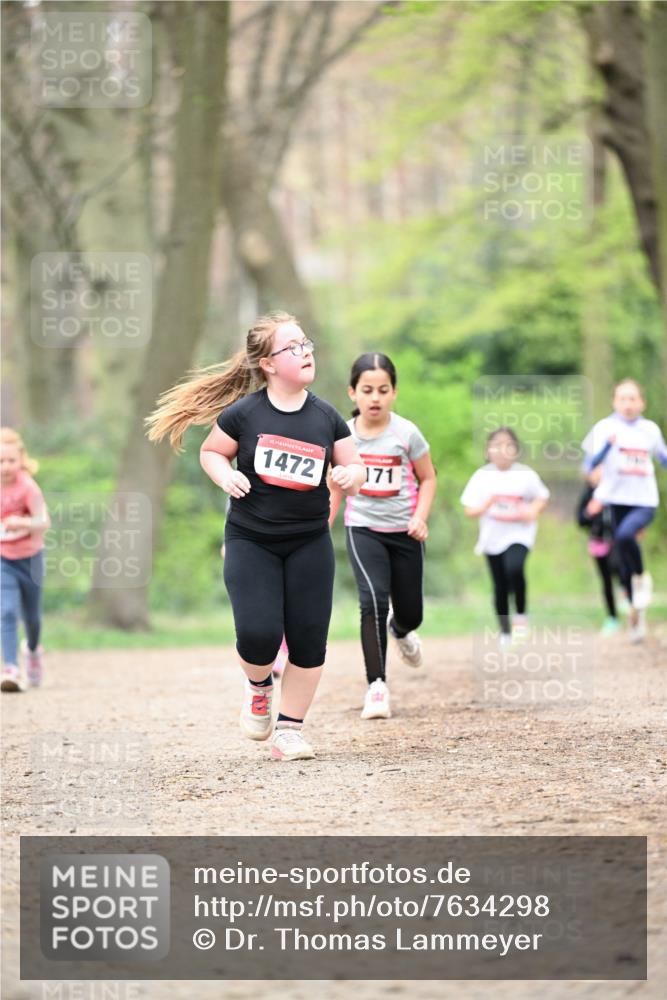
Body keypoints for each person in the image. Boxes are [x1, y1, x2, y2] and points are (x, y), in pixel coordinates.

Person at [146, 312, 365, 761]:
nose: (305, 353)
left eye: (306, 344)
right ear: (267, 364)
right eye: (292, 347)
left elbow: (357, 467)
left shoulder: (326, 417)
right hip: (252, 540)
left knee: (308, 638)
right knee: (258, 633)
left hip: (309, 540)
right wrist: (226, 476)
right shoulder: (244, 414)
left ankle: (289, 730)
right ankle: (259, 685)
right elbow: (211, 453)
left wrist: (348, 474)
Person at [329, 353, 437, 720]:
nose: (374, 398)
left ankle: (401, 629)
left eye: (383, 390)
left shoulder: (406, 433)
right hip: (363, 529)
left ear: (394, 392)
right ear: (353, 392)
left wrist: (421, 518)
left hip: (405, 530)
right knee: (372, 600)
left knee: (411, 612)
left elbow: (429, 478)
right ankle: (377, 686)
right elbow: (336, 487)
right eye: (367, 390)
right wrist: (323, 524)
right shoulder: (342, 435)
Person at [581, 379, 667, 643]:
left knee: (625, 537)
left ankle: (640, 580)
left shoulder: (649, 430)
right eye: (622, 399)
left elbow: (663, 458)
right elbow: (589, 465)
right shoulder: (605, 428)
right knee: (622, 553)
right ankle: (636, 615)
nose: (628, 404)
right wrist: (608, 445)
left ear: (642, 402)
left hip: (644, 500)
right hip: (616, 499)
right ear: (614, 402)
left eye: (633, 399)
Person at [460, 427, 549, 646]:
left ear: (516, 450)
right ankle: (505, 632)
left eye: (508, 445)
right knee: (499, 584)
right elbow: (469, 510)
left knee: (514, 567)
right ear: (488, 450)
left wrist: (533, 510)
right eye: (496, 445)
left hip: (520, 533)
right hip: (492, 538)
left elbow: (542, 497)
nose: (502, 450)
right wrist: (486, 505)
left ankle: (520, 615)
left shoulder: (525, 474)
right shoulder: (482, 476)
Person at [1, 428, 51, 692]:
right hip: (3, 559)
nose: (6, 467)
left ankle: (32, 650)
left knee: (32, 617)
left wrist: (21, 521)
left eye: (11, 460)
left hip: (30, 559)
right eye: (0, 461)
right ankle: (10, 667)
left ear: (21, 460)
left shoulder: (27, 487)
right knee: (6, 611)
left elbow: (44, 521)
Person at [576, 466, 621, 637]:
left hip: (617, 539)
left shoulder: (617, 490)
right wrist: (589, 512)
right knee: (606, 580)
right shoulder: (588, 494)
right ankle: (612, 617)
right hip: (598, 541)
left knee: (616, 565)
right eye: (593, 471)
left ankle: (626, 591)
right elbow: (580, 520)